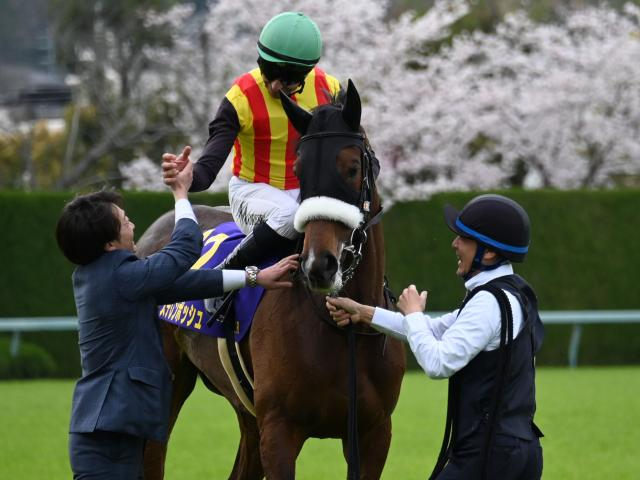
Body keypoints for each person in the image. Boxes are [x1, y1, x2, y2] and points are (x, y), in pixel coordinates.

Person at [57, 153, 298, 479]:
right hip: (111, 432)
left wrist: (253, 277)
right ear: (110, 243)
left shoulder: (108, 274)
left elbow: (185, 284)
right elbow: (185, 248)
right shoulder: (123, 277)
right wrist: (181, 195)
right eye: (125, 221)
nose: (132, 224)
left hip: (113, 426)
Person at [326, 194, 544, 480]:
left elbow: (438, 362)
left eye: (463, 238)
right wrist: (364, 312)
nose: (454, 243)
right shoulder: (512, 292)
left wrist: (414, 313)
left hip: (488, 454)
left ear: (488, 253)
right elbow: (434, 331)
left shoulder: (488, 303)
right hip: (519, 450)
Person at [162, 11, 342, 271]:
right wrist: (189, 176)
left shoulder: (330, 90)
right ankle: (224, 274)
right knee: (292, 216)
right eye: (268, 74)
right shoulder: (240, 97)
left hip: (306, 192)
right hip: (253, 192)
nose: (273, 88)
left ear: (306, 72)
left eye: (286, 81)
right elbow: (209, 167)